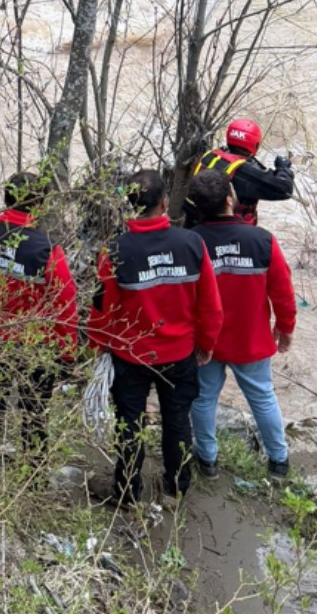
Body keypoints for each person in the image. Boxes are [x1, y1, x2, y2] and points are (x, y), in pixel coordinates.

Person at [88, 170, 224, 505]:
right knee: (178, 421)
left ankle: (127, 493)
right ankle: (174, 490)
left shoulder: (115, 250)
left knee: (128, 423)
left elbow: (102, 309)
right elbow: (211, 305)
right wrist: (205, 345)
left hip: (130, 356)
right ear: (165, 202)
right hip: (179, 354)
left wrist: (98, 347)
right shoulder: (192, 243)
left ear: (130, 206)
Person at [0, 172, 78, 456]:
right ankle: (34, 479)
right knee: (34, 414)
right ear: (40, 206)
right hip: (34, 346)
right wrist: (67, 352)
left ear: (5, 197)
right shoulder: (47, 250)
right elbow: (65, 304)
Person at [187, 170, 297, 480]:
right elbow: (283, 290)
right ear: (230, 199)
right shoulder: (262, 240)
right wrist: (285, 327)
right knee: (262, 397)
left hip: (206, 341)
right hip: (250, 339)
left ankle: (207, 461)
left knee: (204, 397)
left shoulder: (193, 242)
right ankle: (278, 461)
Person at [188, 119, 294, 226]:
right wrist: (283, 168)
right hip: (228, 231)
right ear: (255, 145)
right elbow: (284, 190)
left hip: (195, 222)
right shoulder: (241, 170)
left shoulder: (211, 155)